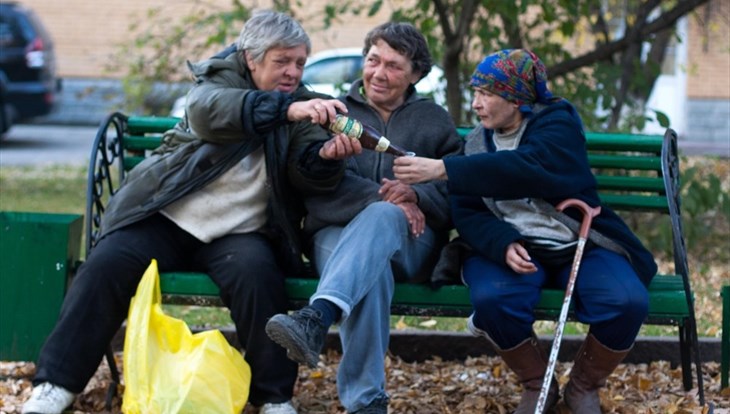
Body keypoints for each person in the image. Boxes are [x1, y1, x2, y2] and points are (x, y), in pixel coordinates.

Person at [22, 10, 360, 414]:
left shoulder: (304, 103)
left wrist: (324, 158)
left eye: (299, 63)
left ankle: (274, 397)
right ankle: (55, 383)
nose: (292, 72)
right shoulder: (217, 81)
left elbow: (306, 175)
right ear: (251, 59)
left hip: (241, 231)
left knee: (258, 278)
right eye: (281, 61)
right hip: (170, 215)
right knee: (105, 264)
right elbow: (210, 112)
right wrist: (284, 110)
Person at [392, 49, 657, 413]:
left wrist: (444, 169)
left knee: (626, 300)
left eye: (486, 94)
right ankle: (537, 384)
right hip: (513, 247)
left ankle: (583, 386)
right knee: (494, 300)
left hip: (577, 241)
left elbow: (531, 166)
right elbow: (466, 211)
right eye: (475, 93)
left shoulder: (557, 123)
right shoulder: (475, 143)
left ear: (516, 98)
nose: (477, 104)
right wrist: (502, 243)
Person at [264, 22, 463, 414]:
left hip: (412, 242)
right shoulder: (334, 111)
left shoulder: (434, 120)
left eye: (394, 66)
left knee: (386, 217)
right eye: (373, 60)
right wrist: (374, 190)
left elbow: (456, 186)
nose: (379, 73)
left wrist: (417, 195)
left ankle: (316, 318)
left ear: (416, 75)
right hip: (334, 235)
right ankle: (367, 403)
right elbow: (310, 187)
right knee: (372, 271)